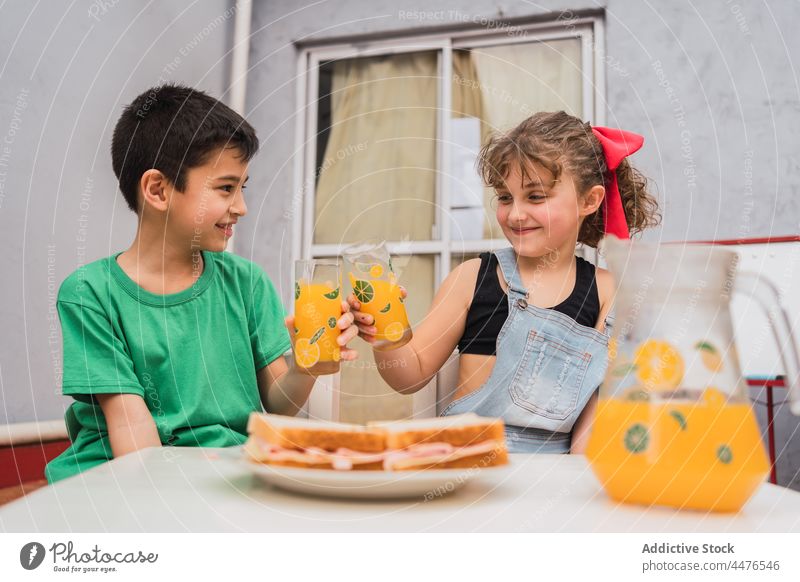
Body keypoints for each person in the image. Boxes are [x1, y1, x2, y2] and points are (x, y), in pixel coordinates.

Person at [45, 84, 359, 482]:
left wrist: (307, 366)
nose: (241, 208)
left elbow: (277, 405)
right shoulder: (90, 294)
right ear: (158, 190)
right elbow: (132, 437)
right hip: (122, 477)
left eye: (242, 188)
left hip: (227, 473)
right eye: (226, 188)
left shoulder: (247, 284)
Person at [349, 111, 661, 454]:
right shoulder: (472, 279)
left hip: (550, 480)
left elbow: (591, 430)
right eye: (504, 197)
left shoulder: (607, 292)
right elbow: (410, 376)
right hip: (464, 463)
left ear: (590, 200)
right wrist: (385, 333)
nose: (515, 214)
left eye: (536, 197)